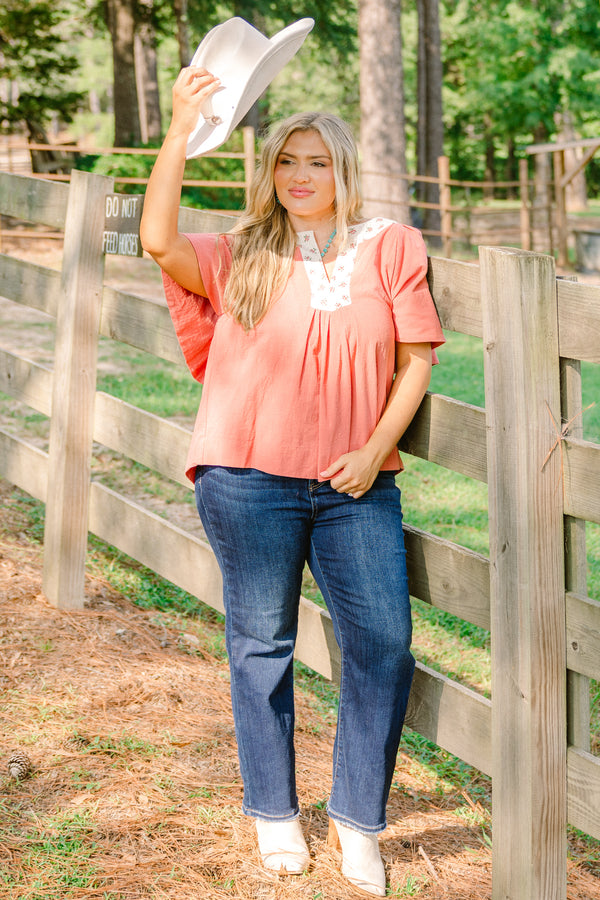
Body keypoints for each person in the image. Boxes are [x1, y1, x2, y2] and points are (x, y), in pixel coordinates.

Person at [140, 64, 445, 898]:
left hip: (356, 486)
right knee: (261, 644)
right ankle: (274, 811)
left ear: (343, 170)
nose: (301, 176)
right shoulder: (244, 252)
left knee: (382, 645)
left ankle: (357, 821)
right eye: (286, 162)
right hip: (246, 479)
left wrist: (373, 447)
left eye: (316, 161)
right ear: (269, 173)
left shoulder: (391, 245)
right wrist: (178, 129)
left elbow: (415, 360)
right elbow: (159, 241)